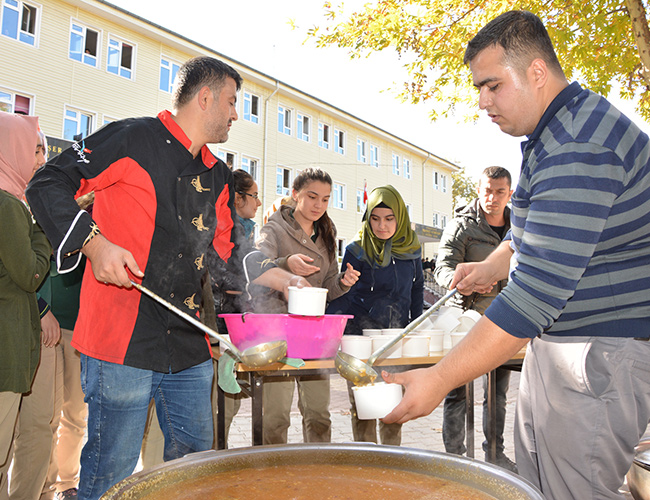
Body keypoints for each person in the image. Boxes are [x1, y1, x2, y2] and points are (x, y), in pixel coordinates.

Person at [383, 10, 650, 500]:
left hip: (597, 352)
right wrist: (493, 263)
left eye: (491, 85)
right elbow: (540, 227)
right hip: (568, 347)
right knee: (537, 487)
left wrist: (439, 380)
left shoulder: (578, 145)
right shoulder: (555, 132)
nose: (482, 102)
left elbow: (534, 298)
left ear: (536, 73)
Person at [25, 56, 308, 500]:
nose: (237, 114)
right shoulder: (131, 137)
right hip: (121, 342)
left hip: (189, 346)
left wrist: (280, 278)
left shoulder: (216, 173)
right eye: (233, 102)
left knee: (195, 466)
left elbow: (223, 256)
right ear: (206, 97)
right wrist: (94, 245)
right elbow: (46, 183)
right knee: (110, 476)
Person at [253, 167, 359, 444]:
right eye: (312, 197)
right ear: (295, 194)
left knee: (319, 414)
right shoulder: (273, 228)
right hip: (278, 332)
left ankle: (317, 473)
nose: (318, 205)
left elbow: (326, 290)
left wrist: (344, 282)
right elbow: (255, 270)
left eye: (325, 199)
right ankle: (272, 474)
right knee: (276, 416)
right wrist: (286, 264)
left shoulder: (327, 232)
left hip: (314, 334)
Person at [327, 185, 423, 445]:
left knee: (394, 406)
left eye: (389, 219)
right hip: (360, 339)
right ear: (368, 219)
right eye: (376, 218)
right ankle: (365, 459)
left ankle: (392, 460)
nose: (382, 226)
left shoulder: (411, 251)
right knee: (364, 407)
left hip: (395, 340)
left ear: (400, 218)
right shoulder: (357, 250)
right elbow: (344, 294)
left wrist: (416, 329)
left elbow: (416, 291)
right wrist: (333, 332)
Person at [434, 166, 515, 471]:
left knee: (497, 394)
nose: (491, 197)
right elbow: (443, 268)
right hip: (466, 323)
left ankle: (494, 454)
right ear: (478, 191)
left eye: (499, 191)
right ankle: (455, 459)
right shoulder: (462, 226)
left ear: (509, 193)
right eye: (486, 190)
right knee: (458, 390)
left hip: (506, 323)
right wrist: (459, 281)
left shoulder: (518, 227)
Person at [0, 112, 52, 500]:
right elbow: (30, 274)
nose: (39, 160)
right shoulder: (8, 206)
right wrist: (41, 230)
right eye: (34, 149)